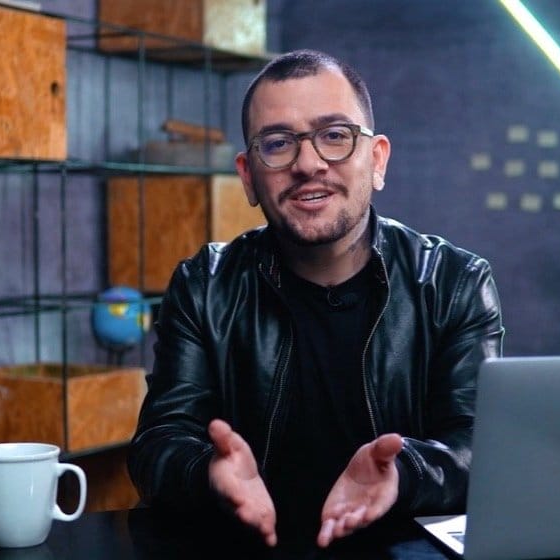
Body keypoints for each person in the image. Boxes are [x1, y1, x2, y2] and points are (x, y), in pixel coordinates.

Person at [128, 49, 504, 550]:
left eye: (334, 136)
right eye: (278, 143)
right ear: (248, 176)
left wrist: (404, 474)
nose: (308, 164)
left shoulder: (454, 281)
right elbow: (158, 444)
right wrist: (208, 473)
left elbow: (482, 447)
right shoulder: (205, 285)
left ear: (377, 159)